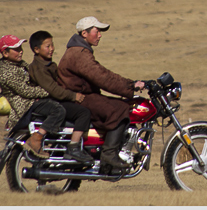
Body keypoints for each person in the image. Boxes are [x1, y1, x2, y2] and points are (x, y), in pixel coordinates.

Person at [57, 16, 146, 172]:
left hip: (84, 95)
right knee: (119, 109)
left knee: (119, 105)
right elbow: (102, 77)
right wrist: (130, 87)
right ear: (84, 33)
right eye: (96, 31)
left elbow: (101, 74)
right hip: (80, 97)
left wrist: (129, 84)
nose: (100, 35)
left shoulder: (80, 51)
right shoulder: (79, 53)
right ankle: (109, 156)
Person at [27, 30, 94, 164]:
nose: (52, 49)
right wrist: (73, 96)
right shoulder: (38, 68)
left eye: (52, 45)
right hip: (48, 103)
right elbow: (53, 90)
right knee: (83, 113)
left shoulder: (48, 65)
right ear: (36, 49)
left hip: (53, 100)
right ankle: (73, 147)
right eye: (48, 46)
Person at [0, 34, 66, 159]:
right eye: (16, 49)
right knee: (57, 109)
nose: (20, 51)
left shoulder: (19, 64)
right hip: (25, 105)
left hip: (32, 101)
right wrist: (49, 90)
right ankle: (36, 139)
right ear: (5, 53)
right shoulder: (7, 73)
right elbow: (26, 91)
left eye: (20, 48)